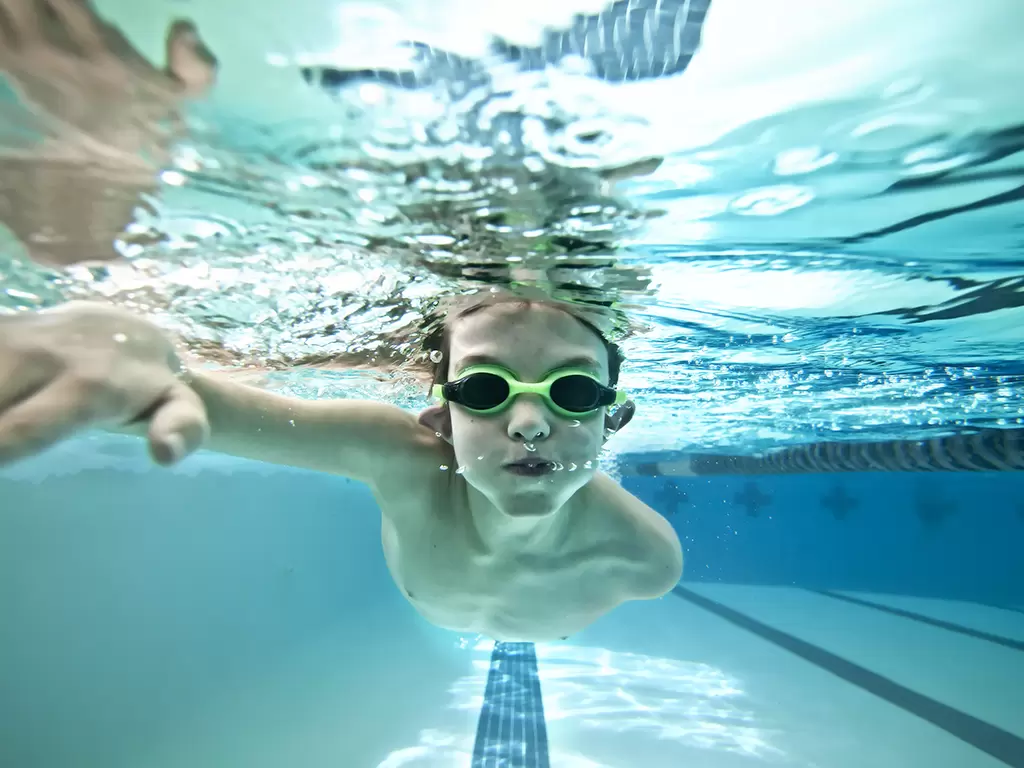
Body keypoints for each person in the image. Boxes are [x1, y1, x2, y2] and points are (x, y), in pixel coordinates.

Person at [0, 292, 683, 642]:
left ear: (610, 417)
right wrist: (140, 375)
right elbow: (217, 408)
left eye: (571, 391)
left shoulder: (647, 559)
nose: (531, 424)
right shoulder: (398, 457)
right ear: (441, 418)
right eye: (483, 389)